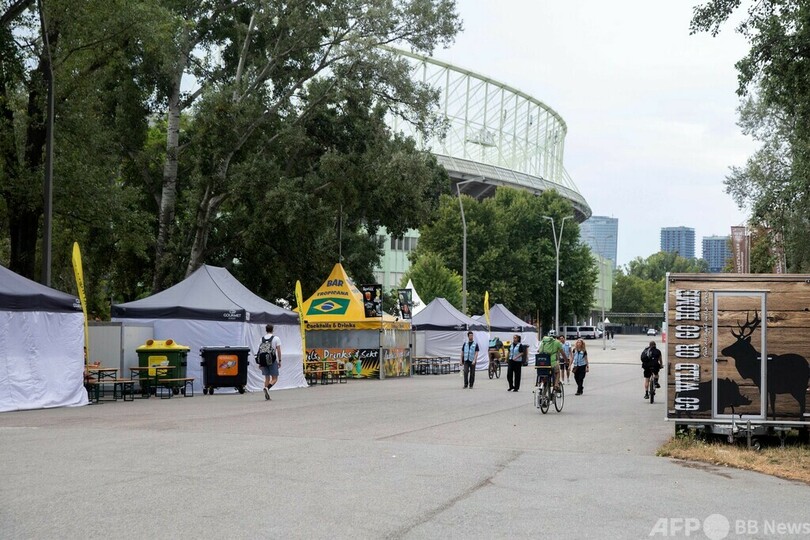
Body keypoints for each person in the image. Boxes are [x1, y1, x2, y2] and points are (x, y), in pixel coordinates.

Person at [259, 324, 282, 400]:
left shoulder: (261, 339)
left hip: (263, 360)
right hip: (272, 360)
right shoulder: (276, 338)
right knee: (275, 378)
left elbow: (259, 351)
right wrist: (280, 360)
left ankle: (266, 395)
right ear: (272, 330)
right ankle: (267, 388)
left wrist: (260, 363)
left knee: (267, 378)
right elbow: (278, 350)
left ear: (266, 330)